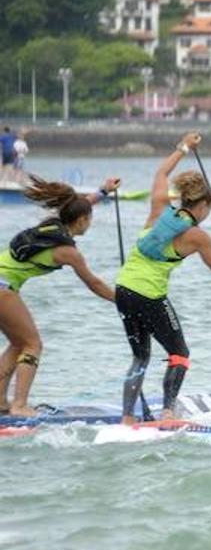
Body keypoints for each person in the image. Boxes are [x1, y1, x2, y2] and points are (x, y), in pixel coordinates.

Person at [115, 133, 211, 423]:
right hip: (149, 295)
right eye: (209, 208)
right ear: (202, 206)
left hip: (123, 289)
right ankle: (168, 412)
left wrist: (184, 147)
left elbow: (161, 172)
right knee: (180, 354)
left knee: (141, 356)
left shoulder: (159, 207)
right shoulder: (198, 236)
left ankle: (127, 418)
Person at [0, 176, 120, 416]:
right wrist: (123, 299)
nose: (90, 223)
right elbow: (94, 283)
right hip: (3, 287)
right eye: (89, 219)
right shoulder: (67, 251)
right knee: (33, 344)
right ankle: (20, 405)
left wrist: (103, 191)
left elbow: (81, 204)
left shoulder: (55, 223)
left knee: (18, 343)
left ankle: (2, 402)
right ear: (83, 220)